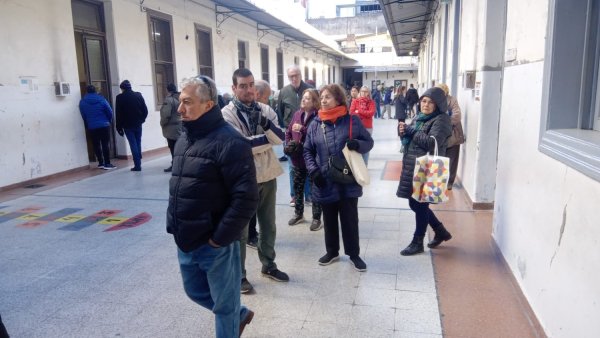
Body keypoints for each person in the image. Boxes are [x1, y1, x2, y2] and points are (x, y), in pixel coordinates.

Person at [166, 75, 257, 337]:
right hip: (186, 238)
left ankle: (232, 316)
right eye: (179, 102)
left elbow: (247, 198)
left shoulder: (231, 142)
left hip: (215, 243)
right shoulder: (185, 138)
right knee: (194, 291)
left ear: (208, 105)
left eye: (187, 102)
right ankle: (238, 314)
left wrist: (219, 239)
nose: (180, 109)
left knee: (224, 307)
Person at [222, 68, 290, 294]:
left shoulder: (266, 110)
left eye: (251, 84)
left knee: (268, 226)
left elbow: (281, 138)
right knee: (240, 231)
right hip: (241, 178)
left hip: (268, 174)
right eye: (242, 85)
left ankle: (268, 265)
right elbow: (240, 145)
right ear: (234, 88)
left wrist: (268, 129)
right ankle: (239, 275)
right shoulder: (226, 114)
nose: (248, 89)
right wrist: (268, 139)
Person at [303, 84, 374, 272]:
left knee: (350, 218)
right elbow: (307, 150)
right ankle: (332, 251)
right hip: (324, 179)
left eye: (327, 97)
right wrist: (313, 171)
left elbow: (369, 142)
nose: (323, 100)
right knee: (329, 218)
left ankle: (354, 254)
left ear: (338, 99)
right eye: (322, 97)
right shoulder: (315, 124)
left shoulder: (352, 121)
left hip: (347, 178)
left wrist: (357, 144)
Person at [396, 87, 453, 256]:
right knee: (414, 203)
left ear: (439, 104)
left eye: (430, 102)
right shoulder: (419, 117)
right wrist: (402, 133)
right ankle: (440, 231)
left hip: (426, 168)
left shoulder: (442, 120)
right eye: (424, 101)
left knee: (420, 204)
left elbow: (430, 143)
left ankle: (418, 241)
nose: (426, 105)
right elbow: (411, 140)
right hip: (413, 166)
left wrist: (411, 131)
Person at [285, 89, 323, 231]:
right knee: (298, 188)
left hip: (312, 160)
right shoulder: (297, 114)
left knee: (315, 190)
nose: (304, 100)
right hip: (297, 159)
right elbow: (288, 132)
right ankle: (299, 214)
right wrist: (289, 144)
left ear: (314, 102)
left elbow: (318, 136)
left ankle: (317, 218)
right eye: (303, 97)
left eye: (307, 98)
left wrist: (303, 129)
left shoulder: (318, 116)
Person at [277, 65, 313, 203]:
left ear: (300, 75)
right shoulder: (284, 91)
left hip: (308, 133)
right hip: (291, 135)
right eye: (291, 76)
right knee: (293, 166)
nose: (294, 78)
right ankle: (294, 195)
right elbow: (280, 111)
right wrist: (287, 128)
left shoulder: (309, 90)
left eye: (296, 75)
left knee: (308, 164)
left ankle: (308, 195)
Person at [78, 84, 116, 170]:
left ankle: (100, 162)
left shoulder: (82, 102)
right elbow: (110, 111)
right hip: (104, 125)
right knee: (105, 144)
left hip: (92, 126)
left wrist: (88, 123)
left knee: (96, 144)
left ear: (87, 91)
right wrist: (108, 121)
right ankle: (107, 163)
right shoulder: (102, 100)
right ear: (95, 91)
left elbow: (83, 115)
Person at [436, 83, 465, 190]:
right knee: (439, 158)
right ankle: (439, 180)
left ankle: (449, 182)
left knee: (452, 159)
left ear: (446, 92)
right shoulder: (435, 101)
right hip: (439, 134)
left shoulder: (452, 100)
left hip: (453, 134)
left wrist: (444, 122)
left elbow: (457, 115)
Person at [115, 80, 148, 171]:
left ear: (122, 88)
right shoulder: (138, 95)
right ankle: (138, 160)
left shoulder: (120, 98)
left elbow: (118, 114)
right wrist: (142, 120)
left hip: (127, 125)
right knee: (138, 142)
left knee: (133, 144)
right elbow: (145, 110)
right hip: (138, 123)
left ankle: (137, 165)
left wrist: (118, 127)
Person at [349, 85, 375, 165]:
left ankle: (365, 165)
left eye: (366, 91)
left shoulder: (371, 102)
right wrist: (363, 113)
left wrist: (359, 111)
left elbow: (371, 113)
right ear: (360, 92)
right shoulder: (355, 101)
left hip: (367, 127)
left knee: (366, 147)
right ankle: (358, 166)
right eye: (362, 91)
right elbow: (351, 112)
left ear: (368, 93)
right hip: (356, 127)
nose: (364, 93)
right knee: (357, 146)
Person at [159, 83, 181, 172]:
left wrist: (162, 123)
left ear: (167, 90)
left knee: (172, 148)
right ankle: (179, 165)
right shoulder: (180, 98)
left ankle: (174, 166)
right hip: (180, 126)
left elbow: (165, 115)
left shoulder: (169, 100)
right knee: (179, 147)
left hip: (171, 128)